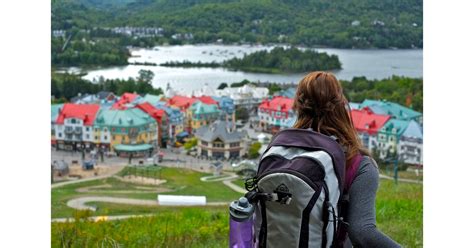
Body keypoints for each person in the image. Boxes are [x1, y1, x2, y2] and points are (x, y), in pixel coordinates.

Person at [292, 71, 401, 247]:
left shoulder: (278, 152)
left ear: (297, 105)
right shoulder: (358, 164)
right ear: (342, 104)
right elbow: (362, 232)